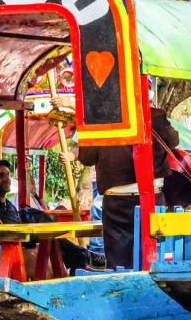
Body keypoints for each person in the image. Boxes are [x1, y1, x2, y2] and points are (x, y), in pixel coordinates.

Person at [55, 81, 179, 270]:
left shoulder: (104, 120)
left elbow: (87, 157)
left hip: (117, 202)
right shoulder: (156, 116)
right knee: (153, 259)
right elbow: (173, 140)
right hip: (153, 198)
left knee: (118, 262)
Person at [0, 159, 105, 275]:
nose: (6, 178)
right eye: (1, 175)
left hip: (12, 247)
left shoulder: (10, 206)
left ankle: (81, 260)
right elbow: (2, 232)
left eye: (7, 174)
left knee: (54, 254)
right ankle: (83, 258)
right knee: (44, 259)